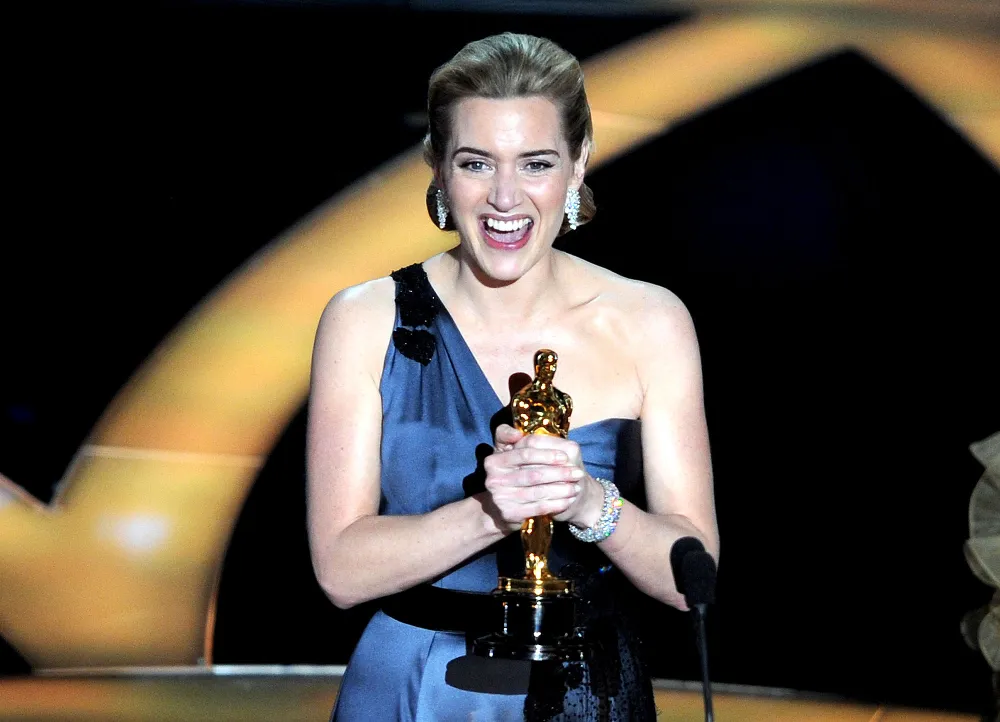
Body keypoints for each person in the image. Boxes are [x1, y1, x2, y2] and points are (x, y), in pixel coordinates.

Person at [306, 31, 718, 721]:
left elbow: (690, 578)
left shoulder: (650, 320)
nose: (504, 197)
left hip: (588, 691)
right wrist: (494, 509)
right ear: (437, 166)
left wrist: (588, 502)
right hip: (413, 692)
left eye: (535, 163)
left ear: (579, 164)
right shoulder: (364, 318)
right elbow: (340, 571)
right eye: (475, 162)